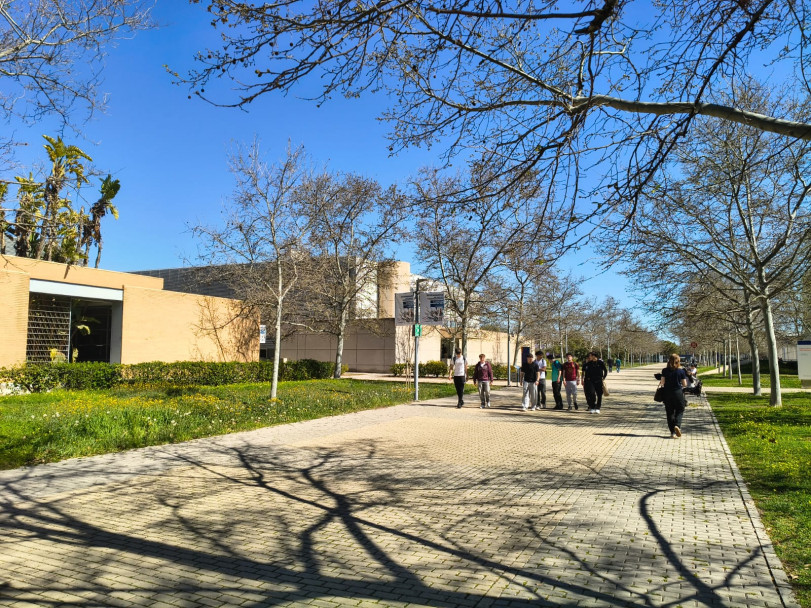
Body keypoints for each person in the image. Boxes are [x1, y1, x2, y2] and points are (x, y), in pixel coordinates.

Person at [657, 353, 688, 438]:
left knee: (669, 412)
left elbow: (662, 382)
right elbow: (684, 384)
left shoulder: (664, 370)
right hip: (678, 392)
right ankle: (677, 425)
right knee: (680, 409)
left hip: (667, 393)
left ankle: (672, 433)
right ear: (678, 361)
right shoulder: (681, 371)